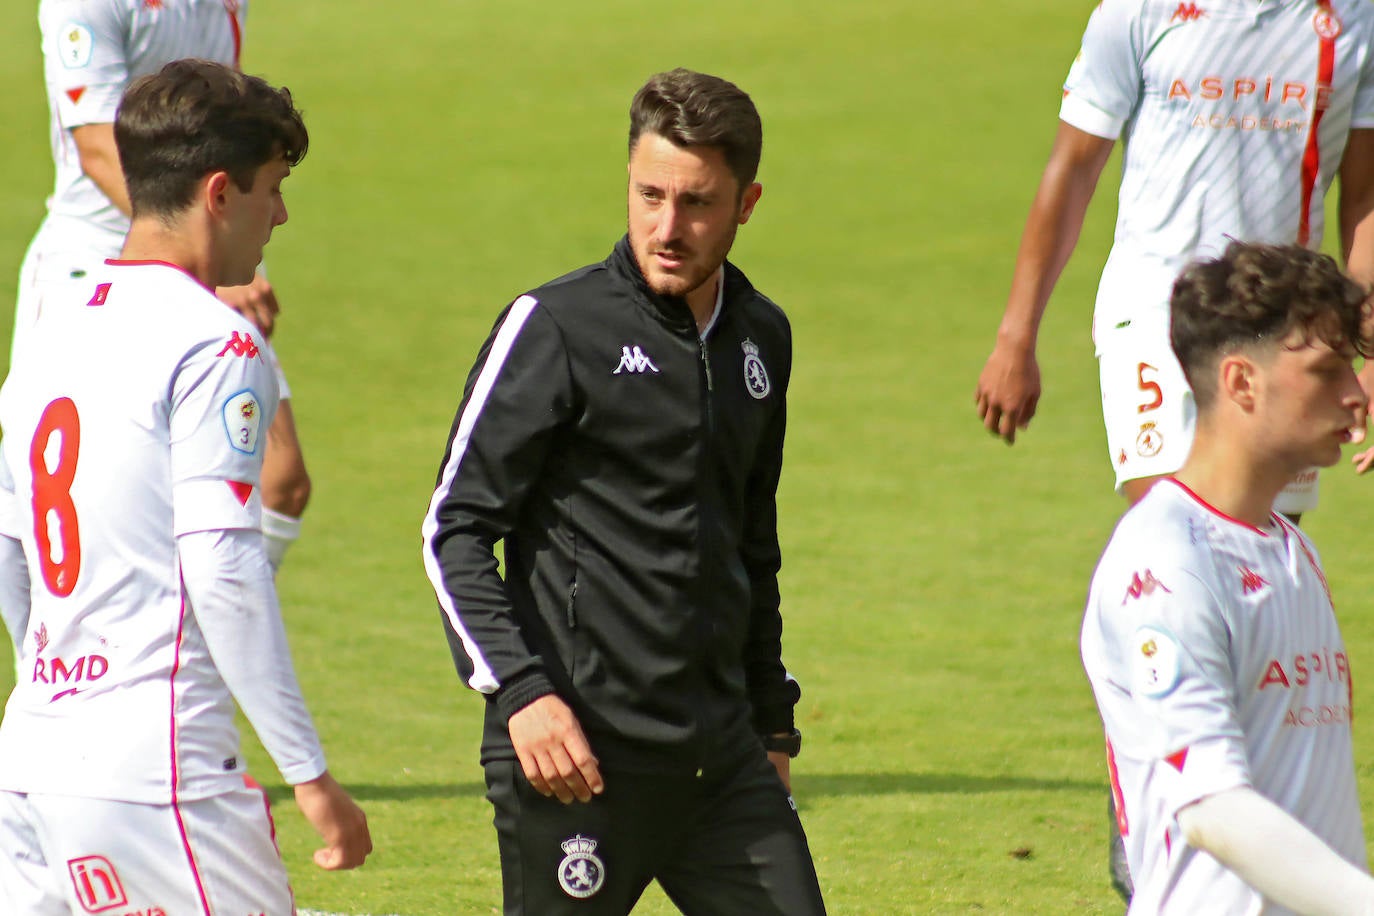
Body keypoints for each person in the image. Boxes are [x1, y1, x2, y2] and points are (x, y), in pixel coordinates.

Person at [972, 1, 1374, 898]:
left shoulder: (1354, 20)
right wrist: (1017, 332)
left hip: (1287, 337)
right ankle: (1163, 812)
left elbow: (1366, 190)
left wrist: (1359, 347)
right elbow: (1074, 167)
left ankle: (1255, 806)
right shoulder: (1146, 9)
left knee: (1263, 562)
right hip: (1159, 319)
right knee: (1183, 534)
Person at [421, 68, 826, 915]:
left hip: (722, 762)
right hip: (577, 761)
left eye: (697, 202)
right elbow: (453, 529)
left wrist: (772, 722)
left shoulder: (761, 338)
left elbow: (752, 541)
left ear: (747, 203)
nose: (667, 227)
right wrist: (522, 694)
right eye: (650, 194)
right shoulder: (557, 327)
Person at [0, 59, 371, 914]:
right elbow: (224, 570)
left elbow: (12, 549)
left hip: (32, 771)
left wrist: (50, 682)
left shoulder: (52, 332)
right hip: (163, 782)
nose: (279, 214)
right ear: (217, 192)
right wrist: (310, 777)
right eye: (272, 188)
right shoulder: (216, 345)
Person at [1082, 241, 1374, 913]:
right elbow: (1211, 808)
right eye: (1328, 371)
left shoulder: (1292, 551)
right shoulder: (1165, 565)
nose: (1356, 396)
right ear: (1242, 382)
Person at [13, 0, 310, 588]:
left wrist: (222, 251)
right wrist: (201, 256)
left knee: (281, 479)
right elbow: (96, 146)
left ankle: (200, 652)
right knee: (69, 497)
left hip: (209, 237)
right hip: (92, 262)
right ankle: (54, 671)